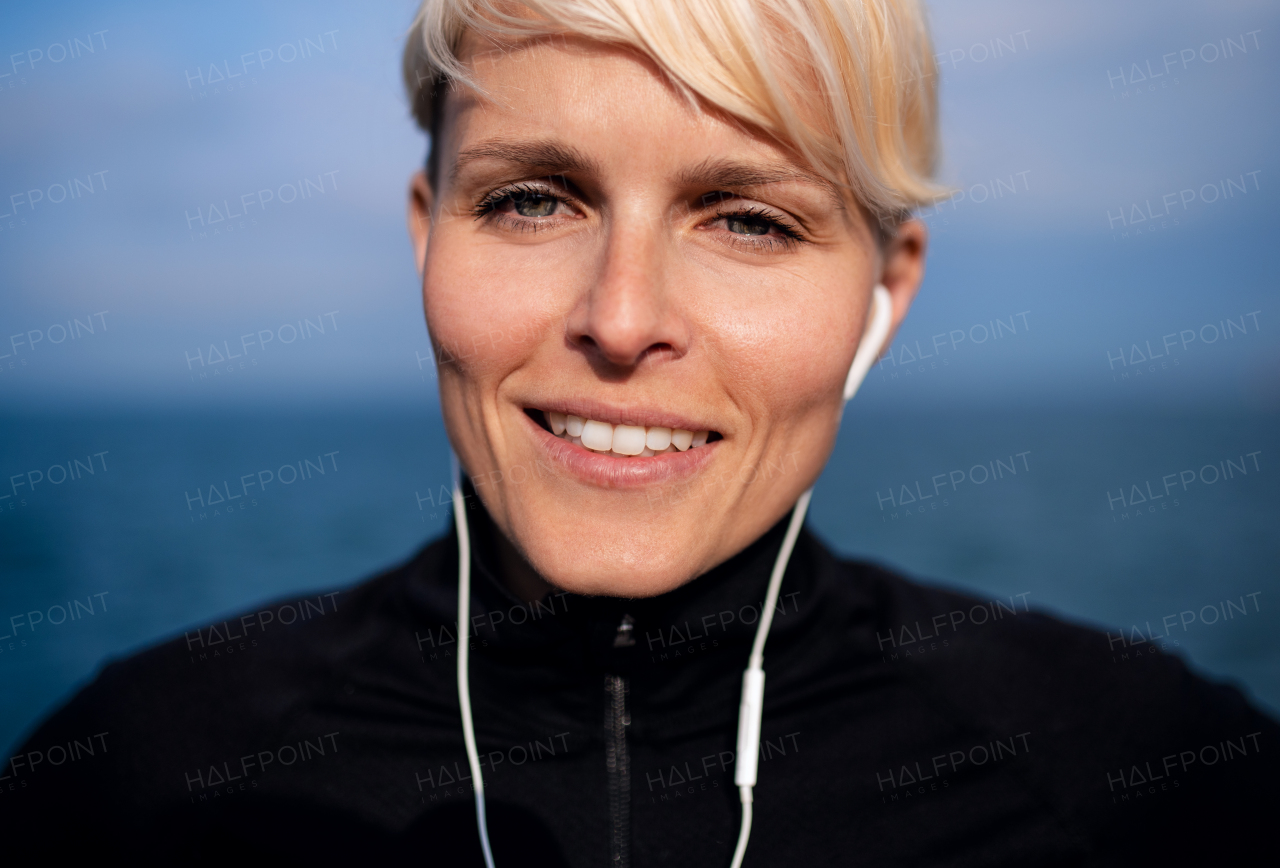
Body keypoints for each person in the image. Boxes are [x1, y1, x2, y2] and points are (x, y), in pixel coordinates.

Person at [4, 1, 1274, 864]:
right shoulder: (135, 775)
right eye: (531, 200)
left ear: (884, 294)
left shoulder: (1145, 778)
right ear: (425, 233)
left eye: (748, 220)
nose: (620, 320)